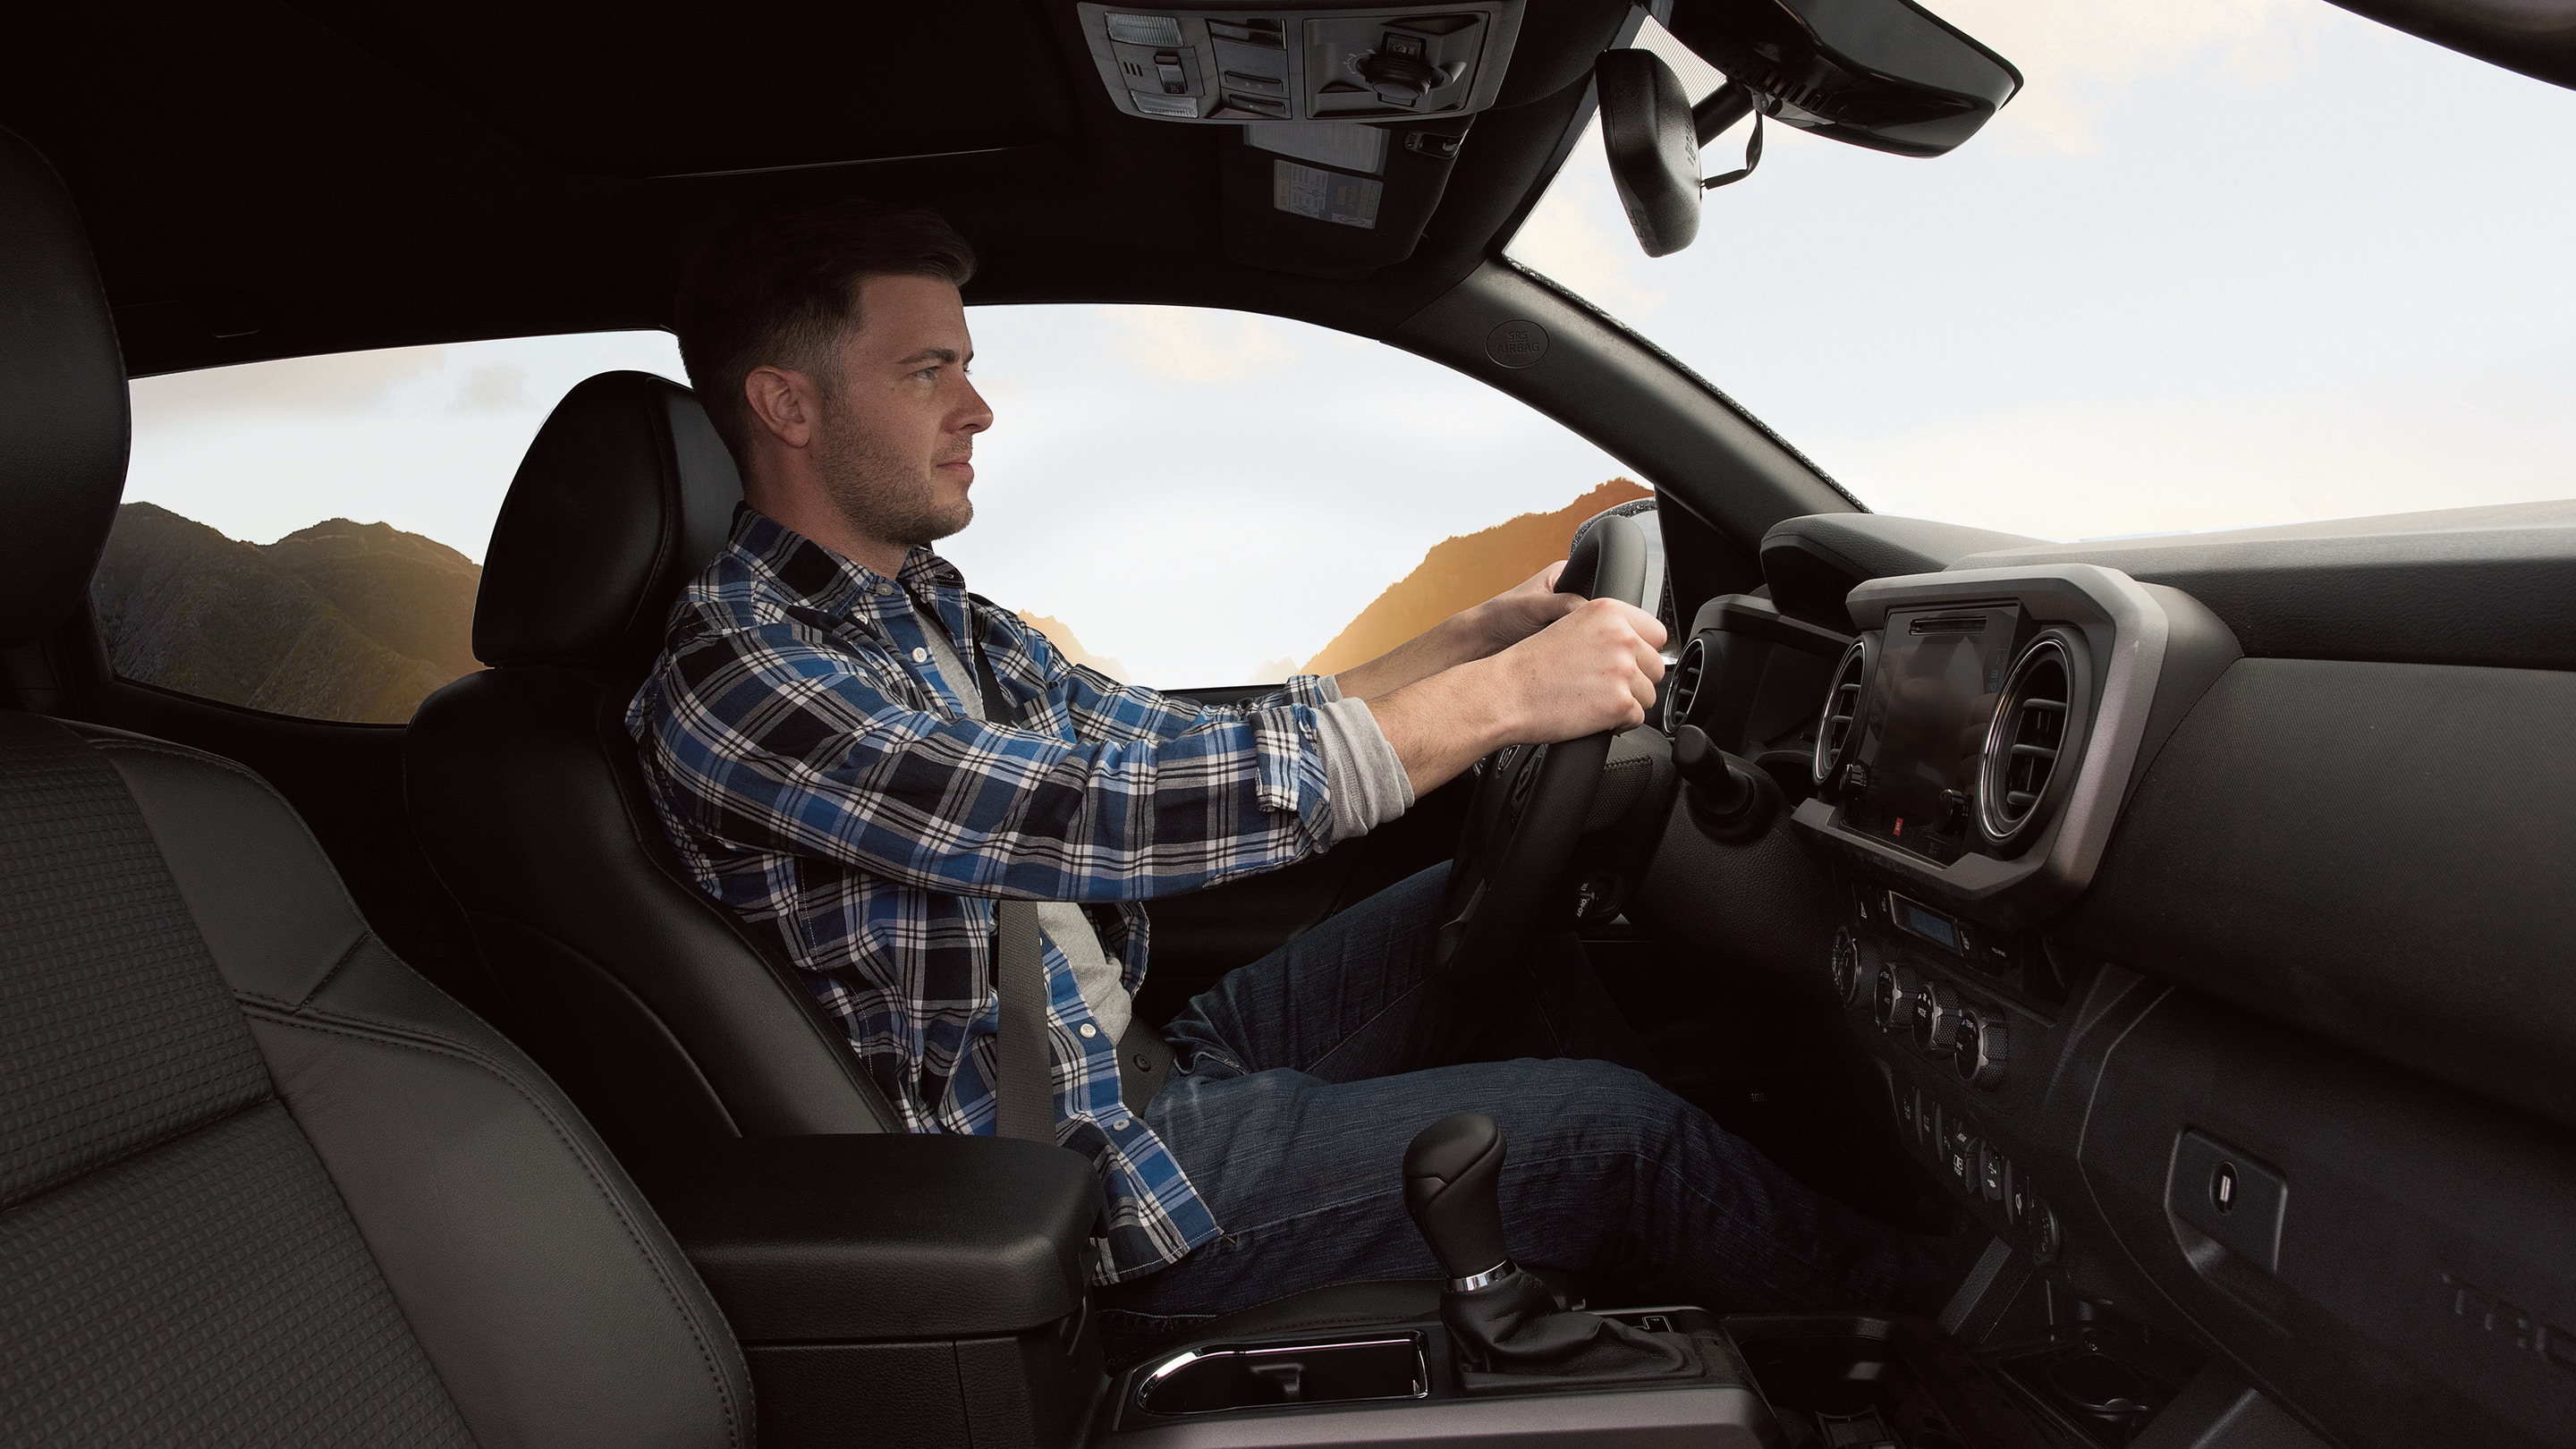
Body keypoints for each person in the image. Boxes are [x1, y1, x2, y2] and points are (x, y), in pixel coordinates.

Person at [629, 197, 1937, 1354]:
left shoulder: (925, 611)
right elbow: (1083, 815)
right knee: (1616, 1136)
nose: (976, 407)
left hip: (1130, 1064)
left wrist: (1461, 648)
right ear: (788, 405)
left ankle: (1607, 1276)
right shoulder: (740, 680)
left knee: (1496, 936)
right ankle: (1950, 1342)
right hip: (1080, 1186)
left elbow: (1141, 737)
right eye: (927, 372)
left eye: (966, 367)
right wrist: (1493, 708)